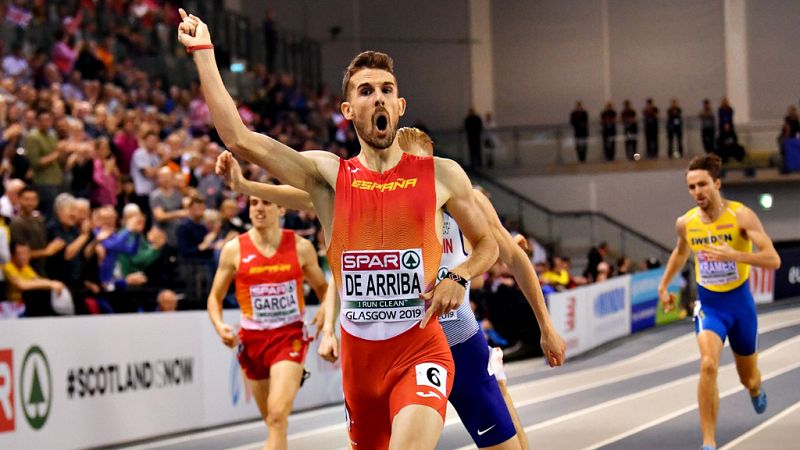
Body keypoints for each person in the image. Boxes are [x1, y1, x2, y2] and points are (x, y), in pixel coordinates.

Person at [178, 10, 498, 449]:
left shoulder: (442, 175)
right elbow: (240, 138)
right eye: (366, 92)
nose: (379, 99)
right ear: (349, 110)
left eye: (387, 91)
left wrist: (458, 276)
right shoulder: (328, 178)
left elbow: (486, 246)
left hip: (420, 350)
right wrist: (204, 54)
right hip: (360, 361)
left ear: (400, 106)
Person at [216, 127, 566, 450]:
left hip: (458, 339)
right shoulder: (375, 199)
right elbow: (309, 196)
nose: (407, 173)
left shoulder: (464, 200)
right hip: (404, 346)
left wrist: (546, 326)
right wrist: (247, 187)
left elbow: (514, 259)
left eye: (417, 163)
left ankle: (498, 387)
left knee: (505, 443)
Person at [657, 154, 780, 450]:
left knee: (747, 379)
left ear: (717, 183)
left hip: (740, 306)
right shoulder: (686, 223)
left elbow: (773, 259)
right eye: (691, 186)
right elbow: (680, 253)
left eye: (702, 184)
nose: (697, 191)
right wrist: (663, 286)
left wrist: (734, 255)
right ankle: (708, 442)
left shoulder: (741, 216)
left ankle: (755, 388)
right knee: (708, 365)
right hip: (710, 306)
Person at [206, 195, 328, 450]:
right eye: (253, 203)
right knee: (273, 422)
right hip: (252, 341)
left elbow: (323, 288)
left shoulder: (300, 247)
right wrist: (219, 327)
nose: (259, 208)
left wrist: (326, 310)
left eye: (266, 202)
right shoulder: (234, 249)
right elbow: (215, 297)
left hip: (289, 337)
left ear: (281, 207)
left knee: (276, 414)